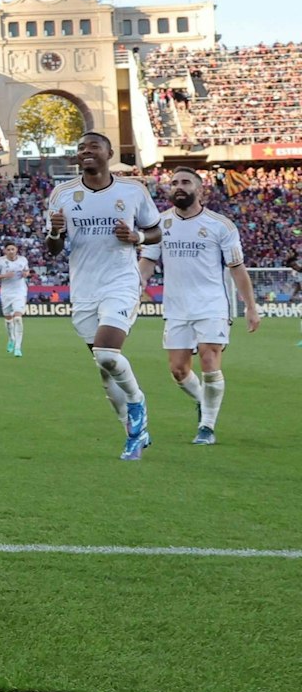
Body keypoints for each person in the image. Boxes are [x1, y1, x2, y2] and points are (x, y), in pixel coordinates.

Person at [45, 131, 163, 460]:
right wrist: (56, 231)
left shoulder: (133, 191)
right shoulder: (62, 194)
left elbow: (156, 230)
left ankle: (138, 403)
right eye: (81, 148)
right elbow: (52, 249)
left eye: (93, 146)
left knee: (108, 353)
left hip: (120, 282)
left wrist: (137, 235)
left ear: (109, 153)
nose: (86, 151)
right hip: (84, 287)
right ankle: (133, 431)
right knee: (103, 366)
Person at [137, 168, 260, 445]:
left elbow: (237, 269)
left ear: (200, 190)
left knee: (208, 360)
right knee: (179, 370)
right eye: (174, 183)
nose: (178, 187)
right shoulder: (160, 224)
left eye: (185, 182)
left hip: (212, 304)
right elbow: (147, 263)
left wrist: (250, 306)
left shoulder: (221, 225)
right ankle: (204, 401)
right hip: (176, 307)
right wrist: (135, 286)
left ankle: (207, 426)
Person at [0, 242, 30, 357]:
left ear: (16, 250)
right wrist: (4, 276)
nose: (11, 251)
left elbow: (27, 271)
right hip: (6, 293)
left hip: (20, 292)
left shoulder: (23, 260)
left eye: (13, 249)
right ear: (5, 251)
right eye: (8, 249)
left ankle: (18, 347)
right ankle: (11, 338)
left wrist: (26, 274)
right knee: (8, 318)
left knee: (18, 318)